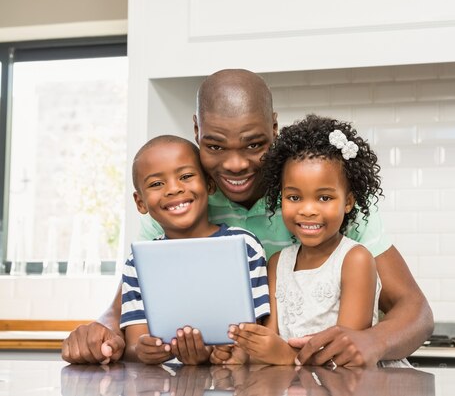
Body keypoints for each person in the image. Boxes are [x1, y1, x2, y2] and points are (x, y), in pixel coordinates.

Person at [61, 69, 434, 366]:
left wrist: (373, 340)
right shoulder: (182, 202)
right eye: (214, 146)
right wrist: (101, 332)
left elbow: (415, 310)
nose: (236, 164)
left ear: (274, 127)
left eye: (254, 145)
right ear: (196, 131)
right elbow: (127, 304)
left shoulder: (323, 196)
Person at [216, 115, 410, 367]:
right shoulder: (277, 263)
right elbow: (271, 344)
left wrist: (286, 356)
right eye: (294, 198)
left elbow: (344, 356)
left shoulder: (355, 260)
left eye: (324, 198)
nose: (308, 210)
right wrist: (244, 352)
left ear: (348, 202)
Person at [120, 135, 269, 364]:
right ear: (140, 202)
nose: (173, 189)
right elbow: (133, 344)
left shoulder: (245, 246)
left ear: (209, 184)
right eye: (156, 184)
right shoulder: (138, 262)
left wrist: (218, 353)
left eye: (186, 176)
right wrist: (145, 351)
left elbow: (256, 336)